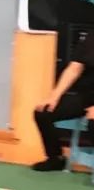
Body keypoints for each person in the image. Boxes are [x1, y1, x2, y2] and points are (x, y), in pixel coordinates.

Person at [31, 31, 94, 171]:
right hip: (87, 97)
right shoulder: (91, 38)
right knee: (43, 113)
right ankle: (56, 159)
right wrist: (54, 96)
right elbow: (74, 69)